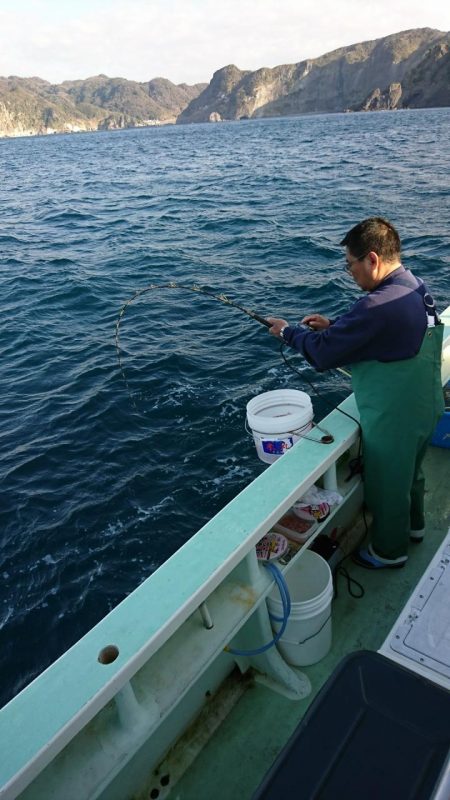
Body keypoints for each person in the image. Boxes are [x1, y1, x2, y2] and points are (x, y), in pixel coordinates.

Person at [267, 217, 444, 569]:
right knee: (412, 473)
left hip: (395, 419)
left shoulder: (376, 305)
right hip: (427, 407)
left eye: (351, 265)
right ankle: (416, 528)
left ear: (373, 259)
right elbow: (392, 335)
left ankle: (389, 552)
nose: (350, 273)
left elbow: (322, 354)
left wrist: (288, 332)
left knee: (389, 486)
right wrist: (336, 327)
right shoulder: (416, 287)